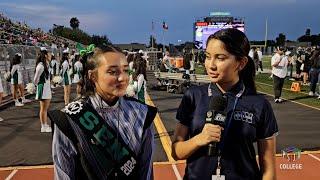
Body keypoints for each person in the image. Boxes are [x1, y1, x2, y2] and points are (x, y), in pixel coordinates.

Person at [171, 28, 278, 180]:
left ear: (241, 63)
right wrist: (199, 139)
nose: (211, 65)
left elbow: (269, 171)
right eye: (207, 57)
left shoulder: (259, 105)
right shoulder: (193, 96)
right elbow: (176, 152)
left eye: (220, 58)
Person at [51, 44, 157, 180]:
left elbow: (146, 172)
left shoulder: (143, 114)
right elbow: (63, 175)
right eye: (113, 72)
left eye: (126, 71)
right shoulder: (68, 118)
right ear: (92, 76)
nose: (122, 78)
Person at [34, 48, 52, 133]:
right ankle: (43, 126)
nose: (50, 55)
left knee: (45, 108)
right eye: (49, 54)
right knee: (43, 109)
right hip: (43, 88)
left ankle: (45, 124)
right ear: (45, 55)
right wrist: (39, 86)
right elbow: (35, 80)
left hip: (47, 88)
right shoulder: (40, 66)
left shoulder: (46, 64)